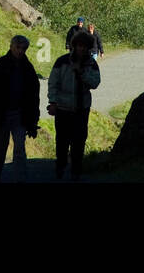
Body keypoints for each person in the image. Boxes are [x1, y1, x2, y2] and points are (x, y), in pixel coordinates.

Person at [0, 35, 41, 183]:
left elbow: (34, 96)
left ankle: (20, 180)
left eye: (23, 49)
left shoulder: (28, 69)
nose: (20, 51)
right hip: (2, 115)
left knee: (20, 151)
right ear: (11, 46)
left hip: (20, 115)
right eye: (18, 47)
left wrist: (33, 120)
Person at [47, 29, 101, 181]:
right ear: (74, 46)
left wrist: (82, 72)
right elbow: (53, 83)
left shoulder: (91, 63)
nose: (81, 48)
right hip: (63, 108)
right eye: (79, 45)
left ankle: (76, 170)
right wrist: (52, 102)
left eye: (84, 46)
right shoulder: (62, 61)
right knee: (62, 141)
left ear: (88, 47)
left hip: (81, 108)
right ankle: (60, 167)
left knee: (79, 141)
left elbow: (95, 82)